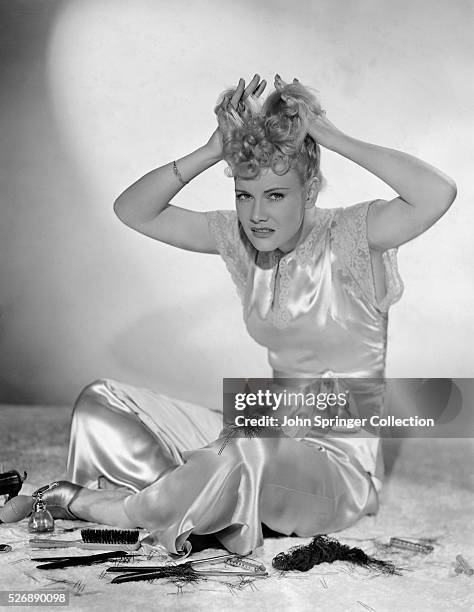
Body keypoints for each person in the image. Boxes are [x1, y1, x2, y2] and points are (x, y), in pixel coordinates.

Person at [0, 74, 456, 555]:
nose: (257, 213)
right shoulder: (244, 242)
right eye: (244, 194)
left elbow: (437, 193)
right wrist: (210, 150)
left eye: (276, 194)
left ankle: (99, 506)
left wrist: (329, 136)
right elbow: (132, 210)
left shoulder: (353, 235)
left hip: (336, 466)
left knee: (240, 455)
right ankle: (187, 496)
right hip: (263, 431)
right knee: (102, 402)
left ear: (310, 190)